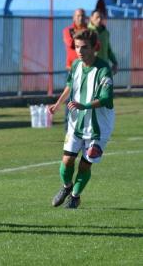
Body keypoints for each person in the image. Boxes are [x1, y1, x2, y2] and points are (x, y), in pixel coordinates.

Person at [49, 29, 115, 209]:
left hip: (98, 127)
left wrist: (84, 105)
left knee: (85, 166)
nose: (80, 51)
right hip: (76, 122)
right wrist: (57, 105)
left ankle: (75, 196)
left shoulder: (103, 69)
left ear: (95, 47)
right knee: (67, 161)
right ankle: (66, 187)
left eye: (84, 47)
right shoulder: (76, 65)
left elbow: (106, 98)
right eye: (77, 47)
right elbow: (69, 87)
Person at [88, 9, 118, 75]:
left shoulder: (105, 32)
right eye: (97, 17)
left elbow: (108, 50)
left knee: (106, 85)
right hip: (91, 67)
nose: (99, 20)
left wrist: (115, 62)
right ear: (91, 18)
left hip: (104, 67)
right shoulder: (87, 32)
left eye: (101, 17)